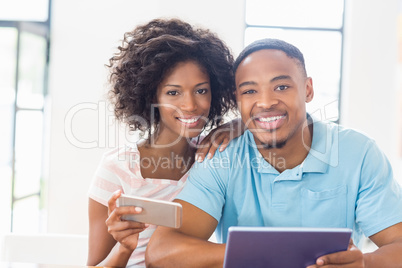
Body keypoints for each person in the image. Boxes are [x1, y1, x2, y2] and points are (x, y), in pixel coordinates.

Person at [146, 38, 402, 267]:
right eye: (250, 91)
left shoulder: (358, 153)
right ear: (238, 101)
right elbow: (161, 252)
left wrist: (365, 264)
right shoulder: (221, 156)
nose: (266, 102)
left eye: (281, 87)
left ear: (308, 89)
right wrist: (262, 254)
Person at [87, 18, 241, 268]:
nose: (190, 105)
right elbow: (94, 265)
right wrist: (124, 248)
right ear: (151, 96)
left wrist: (240, 124)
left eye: (201, 90)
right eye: (173, 93)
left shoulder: (215, 154)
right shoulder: (118, 168)